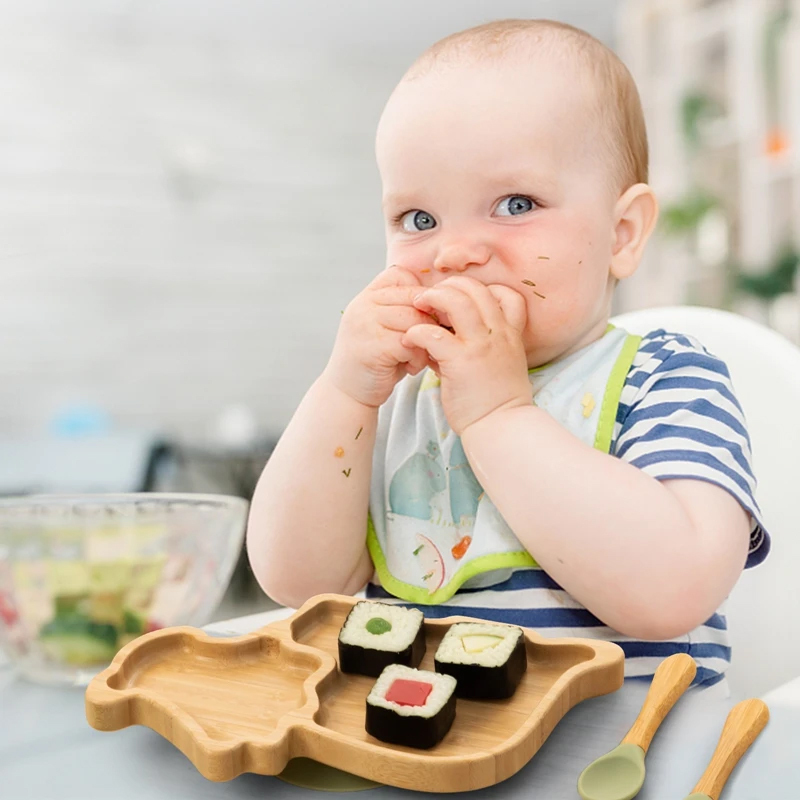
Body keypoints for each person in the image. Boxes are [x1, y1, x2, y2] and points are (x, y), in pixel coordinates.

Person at [246, 18, 769, 691]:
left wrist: (498, 416)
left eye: (515, 204)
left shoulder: (666, 380)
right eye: (419, 220)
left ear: (621, 234)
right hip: (420, 736)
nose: (453, 252)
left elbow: (674, 591)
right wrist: (343, 392)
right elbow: (298, 583)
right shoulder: (399, 396)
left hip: (629, 740)